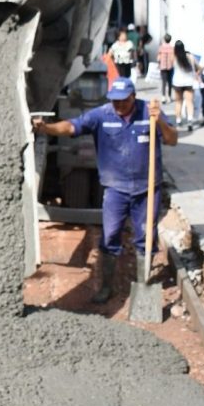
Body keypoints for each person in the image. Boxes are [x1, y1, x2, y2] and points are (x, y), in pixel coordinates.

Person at [33, 77, 177, 303]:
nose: (118, 105)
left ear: (133, 97)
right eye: (114, 100)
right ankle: (106, 287)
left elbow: (172, 140)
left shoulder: (149, 112)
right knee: (110, 236)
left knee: (146, 237)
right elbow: (71, 126)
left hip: (147, 189)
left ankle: (143, 285)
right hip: (115, 189)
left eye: (123, 100)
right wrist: (46, 128)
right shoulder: (102, 114)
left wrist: (159, 121)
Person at [171, 40, 198, 132]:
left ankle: (178, 121)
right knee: (189, 102)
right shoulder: (190, 56)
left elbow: (170, 66)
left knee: (178, 102)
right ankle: (190, 120)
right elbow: (197, 66)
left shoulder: (174, 57)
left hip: (177, 82)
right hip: (188, 82)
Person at [156, 34, 175, 99]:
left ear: (164, 39)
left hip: (163, 67)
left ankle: (163, 96)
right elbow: (173, 58)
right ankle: (169, 96)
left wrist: (159, 64)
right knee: (170, 82)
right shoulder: (172, 48)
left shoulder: (161, 47)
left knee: (163, 82)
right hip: (170, 67)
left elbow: (158, 58)